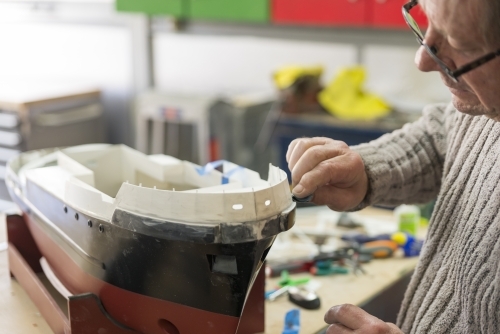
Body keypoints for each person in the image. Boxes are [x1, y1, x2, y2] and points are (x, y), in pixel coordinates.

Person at [286, 0, 500, 332]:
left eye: (458, 43)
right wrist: (368, 170)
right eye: (426, 21)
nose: (423, 61)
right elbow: (447, 136)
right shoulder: (486, 100)